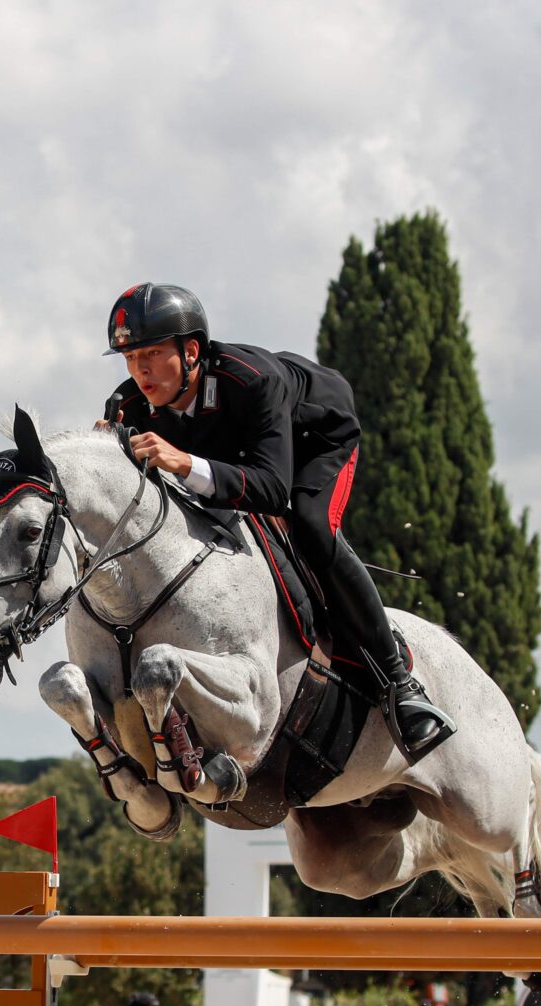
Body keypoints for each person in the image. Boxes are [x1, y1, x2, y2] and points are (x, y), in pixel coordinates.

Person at [96, 283, 455, 763]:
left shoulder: (254, 380)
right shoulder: (129, 407)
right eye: (130, 357)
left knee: (310, 526)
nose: (139, 370)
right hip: (234, 458)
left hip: (312, 443)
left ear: (192, 350)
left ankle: (398, 682)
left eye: (153, 354)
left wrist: (183, 463)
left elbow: (270, 490)